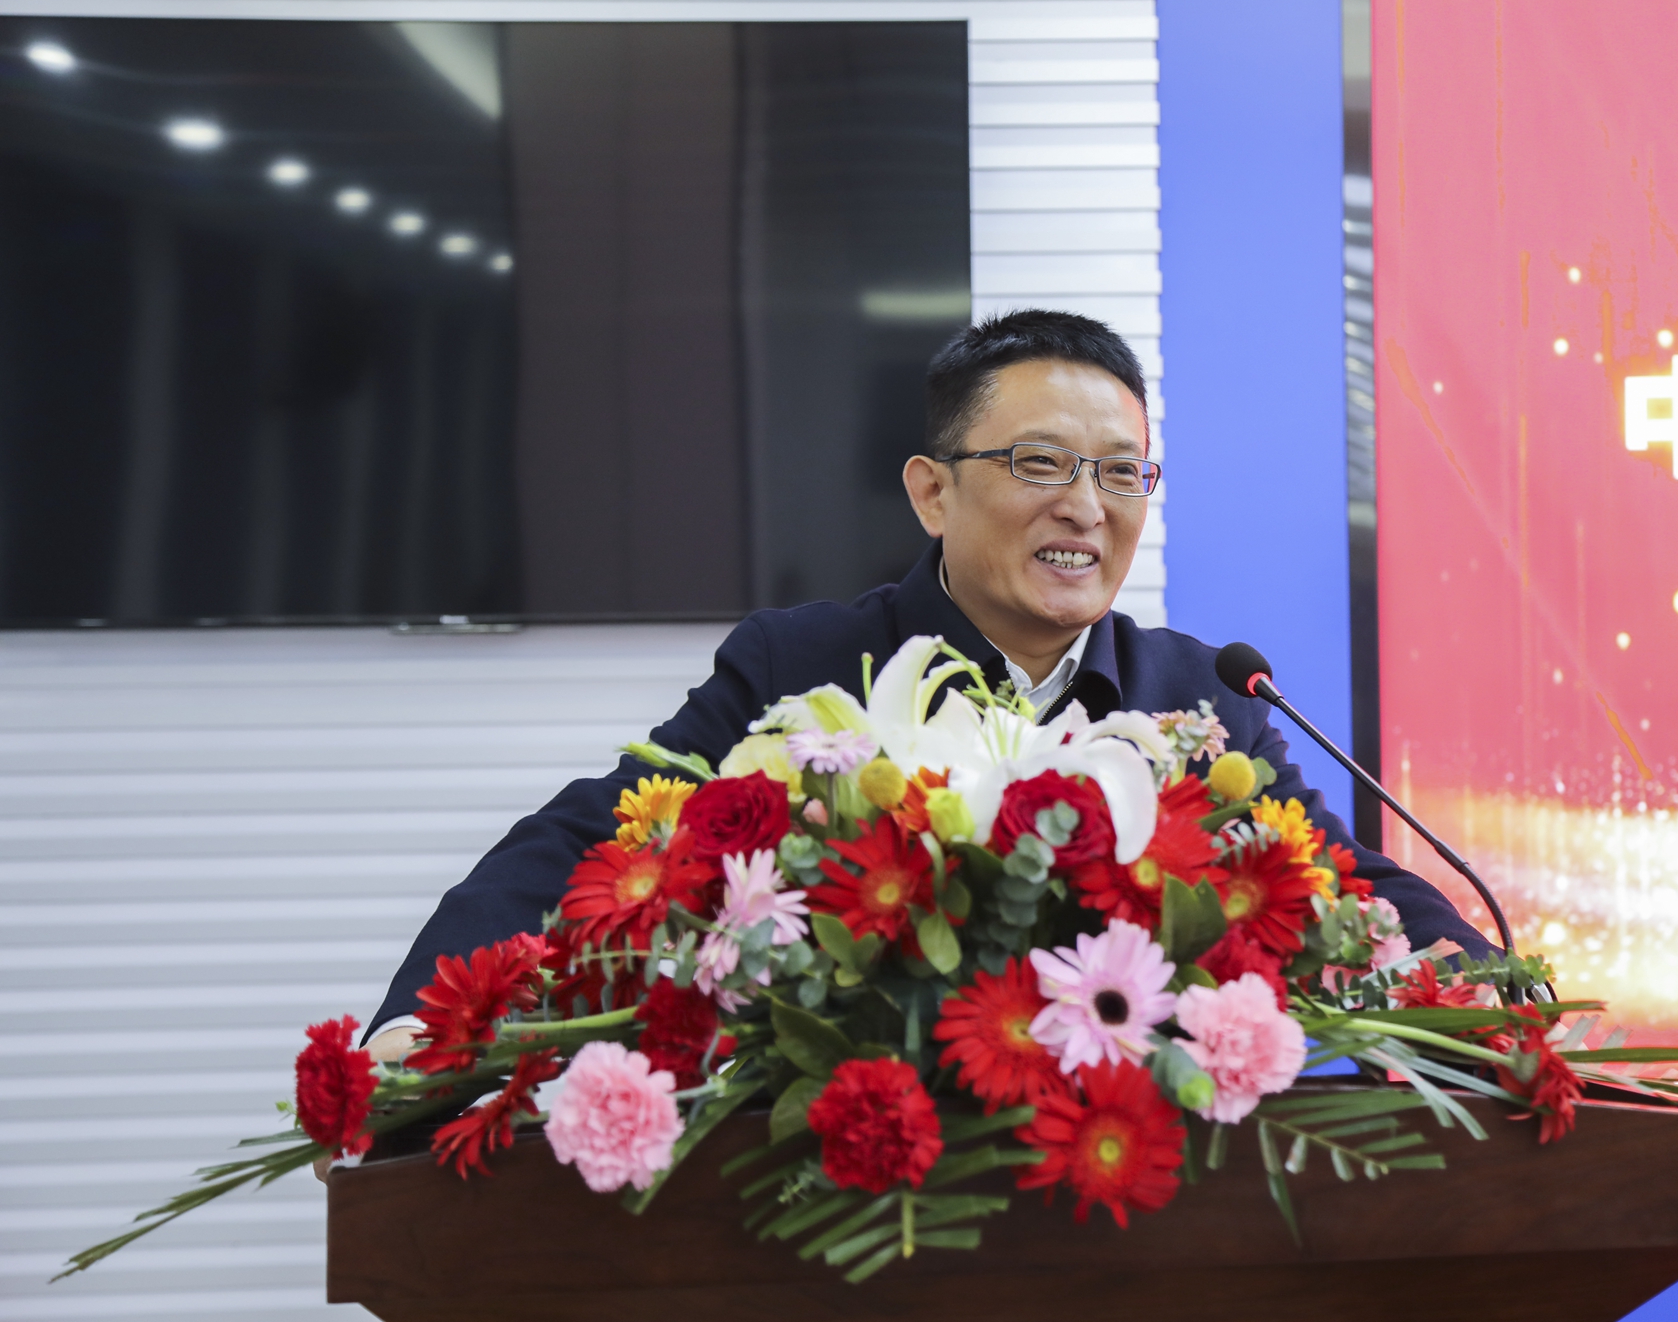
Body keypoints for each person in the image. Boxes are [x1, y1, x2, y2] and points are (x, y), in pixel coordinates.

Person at [361, 309, 1495, 1061]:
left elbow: (1344, 884)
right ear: (931, 492)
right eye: (1041, 463)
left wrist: (1482, 991)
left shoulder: (1204, 696)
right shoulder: (801, 669)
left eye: (1121, 473)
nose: (1086, 506)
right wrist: (422, 1023)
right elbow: (597, 840)